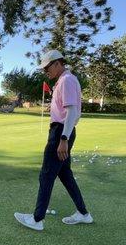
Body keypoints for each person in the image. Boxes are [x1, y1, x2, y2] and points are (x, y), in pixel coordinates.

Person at [14, 49, 93, 231]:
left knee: (46, 174)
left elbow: (71, 111)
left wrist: (63, 138)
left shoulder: (66, 80)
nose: (45, 71)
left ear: (57, 63)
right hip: (62, 131)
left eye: (47, 67)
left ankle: (37, 219)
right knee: (65, 175)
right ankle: (83, 214)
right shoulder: (63, 81)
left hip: (61, 132)